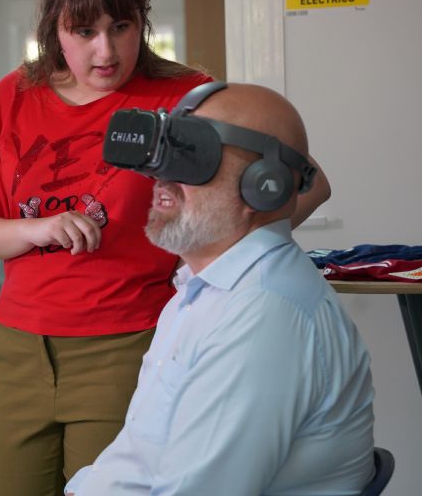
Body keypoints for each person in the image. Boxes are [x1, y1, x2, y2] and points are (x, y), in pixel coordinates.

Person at [0, 0, 330, 495]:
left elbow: (305, 184)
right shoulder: (14, 96)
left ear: (142, 24)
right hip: (18, 348)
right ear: (53, 29)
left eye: (122, 27)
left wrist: (216, 265)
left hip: (127, 343)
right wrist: (34, 229)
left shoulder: (184, 97)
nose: (106, 51)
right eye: (84, 32)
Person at [64, 82, 374, 496]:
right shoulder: (202, 291)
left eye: (192, 154)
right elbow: (140, 458)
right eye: (164, 152)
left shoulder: (262, 314)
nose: (162, 176)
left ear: (265, 184)